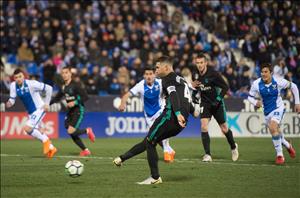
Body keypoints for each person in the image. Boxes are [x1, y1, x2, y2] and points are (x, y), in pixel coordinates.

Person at [113, 56, 199, 185]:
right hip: (180, 123)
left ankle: (155, 177)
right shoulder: (181, 80)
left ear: (166, 67)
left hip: (170, 117)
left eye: (157, 67)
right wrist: (194, 112)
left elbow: (174, 95)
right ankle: (122, 158)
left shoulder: (167, 79)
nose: (156, 70)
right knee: (150, 140)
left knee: (149, 141)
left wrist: (177, 113)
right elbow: (187, 102)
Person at [118, 66, 176, 162]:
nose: (148, 76)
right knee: (156, 136)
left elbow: (172, 88)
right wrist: (122, 103)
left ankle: (166, 151)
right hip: (149, 116)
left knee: (163, 129)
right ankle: (170, 150)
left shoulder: (161, 82)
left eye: (150, 74)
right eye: (147, 74)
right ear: (144, 75)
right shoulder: (140, 85)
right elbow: (127, 95)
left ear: (154, 75)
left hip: (160, 110)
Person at [248, 63, 298, 165]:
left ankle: (280, 156)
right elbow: (249, 97)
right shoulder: (256, 84)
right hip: (267, 111)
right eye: (262, 72)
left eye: (266, 72)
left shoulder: (278, 81)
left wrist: (297, 103)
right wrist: (255, 102)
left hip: (278, 108)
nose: (263, 74)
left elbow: (294, 87)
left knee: (273, 127)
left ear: (271, 73)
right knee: (276, 131)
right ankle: (288, 145)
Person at [192, 53, 239, 162]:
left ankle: (233, 147)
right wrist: (194, 95)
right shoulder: (195, 74)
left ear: (206, 63)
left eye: (201, 62)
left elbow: (225, 87)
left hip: (217, 103)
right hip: (205, 103)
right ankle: (207, 155)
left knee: (224, 128)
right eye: (197, 63)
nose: (199, 65)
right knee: (203, 126)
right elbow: (197, 87)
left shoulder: (213, 74)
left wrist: (218, 99)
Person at [6, 69, 57, 158]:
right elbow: (12, 100)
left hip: (40, 108)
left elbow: (49, 88)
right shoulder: (13, 85)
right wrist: (9, 103)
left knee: (27, 128)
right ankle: (52, 148)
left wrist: (47, 103)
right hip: (31, 112)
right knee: (35, 131)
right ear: (14, 78)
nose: (18, 79)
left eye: (20, 76)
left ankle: (46, 141)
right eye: (16, 77)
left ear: (24, 76)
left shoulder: (32, 84)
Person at [51, 67, 95, 156]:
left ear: (70, 74)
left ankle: (87, 130)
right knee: (70, 131)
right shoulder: (63, 86)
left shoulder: (76, 85)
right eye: (62, 73)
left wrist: (75, 102)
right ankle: (85, 150)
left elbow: (86, 97)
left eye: (66, 72)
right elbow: (57, 97)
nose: (64, 75)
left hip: (78, 109)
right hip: (70, 111)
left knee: (71, 131)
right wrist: (48, 104)